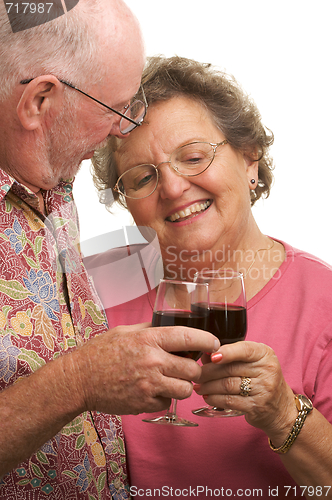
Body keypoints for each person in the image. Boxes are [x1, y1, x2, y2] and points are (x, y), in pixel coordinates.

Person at [0, 8, 219, 499]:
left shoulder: (50, 179)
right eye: (117, 109)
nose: (125, 128)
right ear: (39, 101)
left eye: (195, 155)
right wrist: (79, 379)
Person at [91, 55, 332, 498]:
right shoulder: (90, 286)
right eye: (143, 177)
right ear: (128, 203)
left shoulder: (324, 302)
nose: (173, 187)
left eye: (194, 157)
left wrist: (283, 413)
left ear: (249, 159)